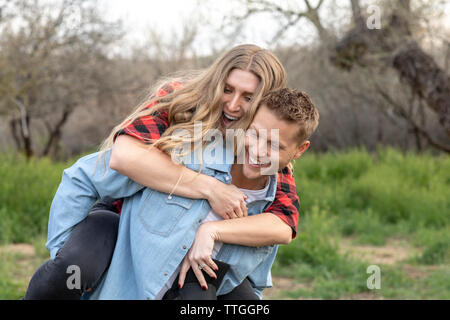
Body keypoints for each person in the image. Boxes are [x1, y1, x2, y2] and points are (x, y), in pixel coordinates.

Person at [24, 44, 302, 299]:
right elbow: (122, 157)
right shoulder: (182, 105)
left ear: (266, 104)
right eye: (227, 90)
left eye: (249, 97)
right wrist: (211, 188)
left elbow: (284, 222)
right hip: (126, 217)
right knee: (73, 272)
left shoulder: (261, 149)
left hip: (194, 252)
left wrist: (213, 232)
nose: (232, 104)